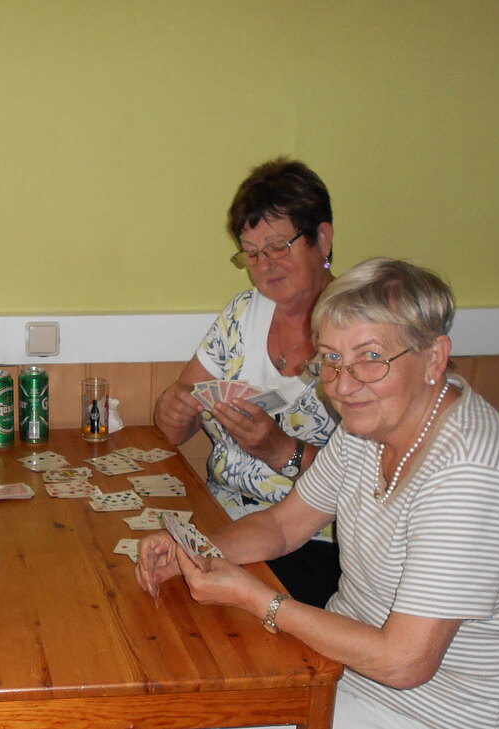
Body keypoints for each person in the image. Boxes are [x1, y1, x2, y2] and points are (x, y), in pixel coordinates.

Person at [137, 258, 499, 729]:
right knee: (172, 707)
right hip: (343, 671)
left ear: (434, 358)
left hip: (446, 712)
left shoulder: (472, 471)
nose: (343, 386)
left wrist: (259, 600)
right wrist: (197, 550)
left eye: (370, 358)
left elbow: (406, 662)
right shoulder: (369, 427)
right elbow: (284, 525)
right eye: (330, 359)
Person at [153, 157, 340, 607]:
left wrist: (280, 449)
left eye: (277, 246)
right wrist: (174, 410)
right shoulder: (241, 314)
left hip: (317, 539)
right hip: (218, 515)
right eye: (252, 253)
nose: (265, 265)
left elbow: (374, 479)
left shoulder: (358, 330)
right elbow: (173, 429)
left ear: (322, 238)